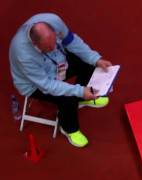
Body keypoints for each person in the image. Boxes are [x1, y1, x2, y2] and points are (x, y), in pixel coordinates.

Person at [9, 13, 113, 148]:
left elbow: (72, 42)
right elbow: (47, 85)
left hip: (58, 63)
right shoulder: (24, 55)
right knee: (68, 97)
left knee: (89, 64)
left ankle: (83, 98)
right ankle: (69, 128)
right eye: (48, 48)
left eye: (54, 42)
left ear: (54, 31)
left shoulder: (53, 20)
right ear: (35, 45)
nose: (53, 48)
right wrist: (79, 91)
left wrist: (95, 59)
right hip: (35, 84)